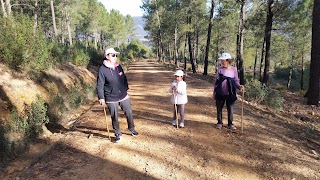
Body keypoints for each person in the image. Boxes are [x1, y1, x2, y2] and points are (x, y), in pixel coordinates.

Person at [96, 48, 138, 143]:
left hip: (123, 95)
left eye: (116, 55)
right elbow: (100, 84)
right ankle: (118, 134)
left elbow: (124, 77)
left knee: (129, 113)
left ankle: (132, 128)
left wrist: (125, 88)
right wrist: (101, 98)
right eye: (113, 55)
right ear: (107, 57)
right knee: (114, 116)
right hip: (110, 97)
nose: (115, 57)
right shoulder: (102, 69)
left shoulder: (118, 66)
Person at [212, 52, 243, 130]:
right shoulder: (219, 69)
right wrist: (214, 92)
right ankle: (219, 122)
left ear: (228, 60)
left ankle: (230, 123)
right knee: (219, 108)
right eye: (221, 60)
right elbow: (216, 81)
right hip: (220, 92)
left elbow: (235, 80)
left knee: (230, 108)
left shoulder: (234, 69)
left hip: (230, 92)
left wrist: (239, 86)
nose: (222, 62)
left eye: (223, 60)